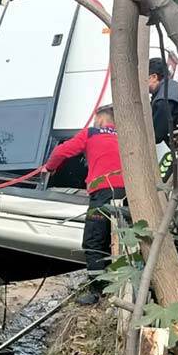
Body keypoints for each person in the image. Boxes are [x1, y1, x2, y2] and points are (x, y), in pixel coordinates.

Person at [40, 105, 126, 305]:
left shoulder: (91, 133)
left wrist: (49, 167)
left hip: (103, 193)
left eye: (96, 119)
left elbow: (61, 151)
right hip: (129, 193)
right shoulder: (125, 135)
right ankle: (117, 285)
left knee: (94, 242)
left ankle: (97, 292)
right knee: (121, 240)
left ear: (102, 120)